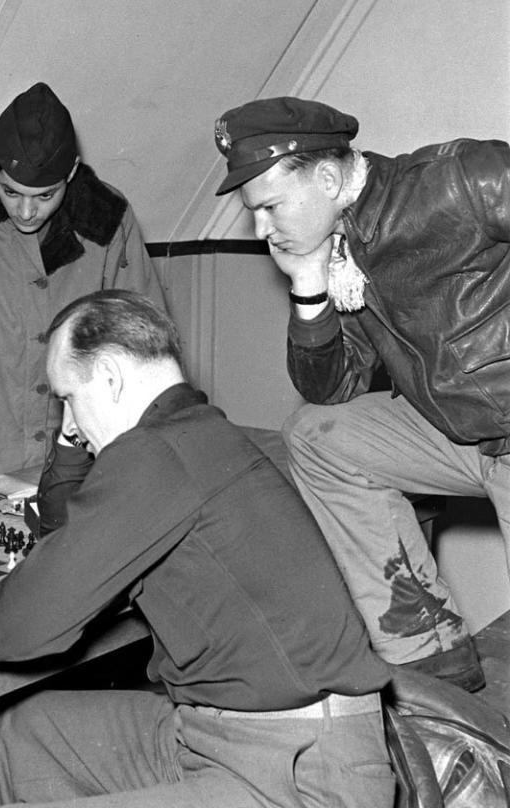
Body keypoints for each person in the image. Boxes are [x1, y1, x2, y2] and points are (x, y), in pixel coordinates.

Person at [0, 289, 393, 808]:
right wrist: (71, 441)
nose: (71, 418)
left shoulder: (154, 455)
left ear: (109, 375)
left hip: (300, 769)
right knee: (27, 732)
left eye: (68, 397)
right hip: (223, 733)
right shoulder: (195, 431)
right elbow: (69, 531)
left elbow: (13, 632)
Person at [212, 95, 510, 693]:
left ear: (326, 177)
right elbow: (333, 388)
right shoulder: (342, 245)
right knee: (316, 436)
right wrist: (308, 287)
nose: (262, 230)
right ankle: (430, 653)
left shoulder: (459, 182)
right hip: (457, 432)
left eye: (269, 207)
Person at [0, 81, 165, 499]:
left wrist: (138, 457)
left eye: (45, 195)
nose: (26, 211)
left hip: (93, 457)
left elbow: (142, 351)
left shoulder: (109, 217)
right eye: (11, 192)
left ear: (72, 174)